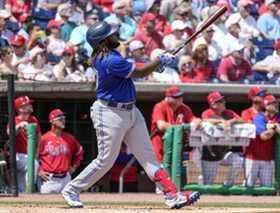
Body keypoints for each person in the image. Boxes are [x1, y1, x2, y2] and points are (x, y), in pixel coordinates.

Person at [61, 21, 200, 209]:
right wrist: (158, 61)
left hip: (130, 111)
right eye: (111, 35)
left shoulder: (111, 55)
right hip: (109, 112)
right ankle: (71, 189)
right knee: (106, 160)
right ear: (102, 41)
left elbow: (138, 68)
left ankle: (171, 194)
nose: (116, 36)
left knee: (148, 156)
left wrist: (156, 64)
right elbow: (140, 71)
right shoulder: (108, 59)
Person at [201, 92, 244, 185]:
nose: (224, 102)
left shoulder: (229, 113)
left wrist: (230, 121)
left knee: (238, 161)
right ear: (213, 104)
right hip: (210, 154)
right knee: (207, 185)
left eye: (223, 100)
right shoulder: (207, 113)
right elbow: (204, 120)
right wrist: (221, 121)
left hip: (224, 152)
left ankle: (228, 184)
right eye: (220, 101)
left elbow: (242, 120)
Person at [38, 109, 84, 194]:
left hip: (65, 178)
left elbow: (80, 152)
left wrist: (74, 166)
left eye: (64, 118)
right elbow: (34, 157)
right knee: (47, 205)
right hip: (49, 179)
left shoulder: (70, 138)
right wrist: (39, 171)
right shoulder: (44, 139)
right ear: (52, 121)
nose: (63, 121)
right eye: (60, 119)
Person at [150, 85, 200, 164]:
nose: (180, 99)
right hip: (161, 145)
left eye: (181, 96)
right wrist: (183, 128)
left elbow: (194, 120)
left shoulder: (184, 108)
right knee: (160, 171)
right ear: (168, 98)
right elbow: (161, 126)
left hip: (176, 146)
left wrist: (196, 123)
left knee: (175, 171)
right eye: (176, 97)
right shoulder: (160, 106)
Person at [245, 95, 280, 187]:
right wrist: (275, 129)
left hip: (269, 158)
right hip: (253, 157)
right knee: (249, 187)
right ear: (266, 105)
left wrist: (274, 126)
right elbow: (264, 136)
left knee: (267, 188)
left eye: (276, 103)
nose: (276, 105)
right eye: (273, 103)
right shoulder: (258, 117)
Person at [7, 96, 41, 192]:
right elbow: (9, 133)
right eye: (27, 104)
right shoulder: (14, 120)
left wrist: (37, 152)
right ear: (20, 108)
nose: (30, 105)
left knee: (20, 185)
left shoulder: (33, 119)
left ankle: (23, 200)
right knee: (34, 165)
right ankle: (29, 190)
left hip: (30, 155)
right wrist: (18, 126)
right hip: (17, 155)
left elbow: (39, 137)